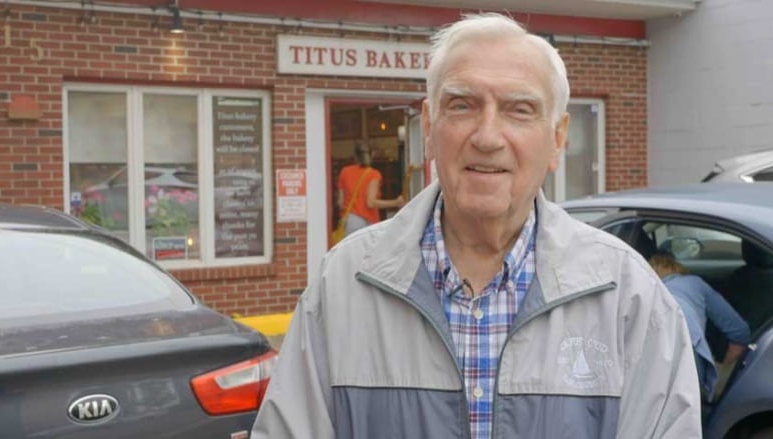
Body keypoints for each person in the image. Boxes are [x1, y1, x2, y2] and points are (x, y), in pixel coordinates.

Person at [252, 12, 701, 439]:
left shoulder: (627, 295)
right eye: (462, 105)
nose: (487, 137)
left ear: (558, 138)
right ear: (429, 126)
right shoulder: (343, 285)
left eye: (519, 109)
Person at [649, 252, 751, 401]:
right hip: (690, 352)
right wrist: (722, 370)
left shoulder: (643, 290)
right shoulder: (694, 283)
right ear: (679, 270)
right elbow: (740, 332)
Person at [335, 142, 405, 238]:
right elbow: (370, 202)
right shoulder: (373, 174)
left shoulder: (345, 172)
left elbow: (340, 202)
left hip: (350, 220)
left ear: (355, 156)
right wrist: (396, 202)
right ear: (372, 155)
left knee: (353, 252)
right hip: (367, 221)